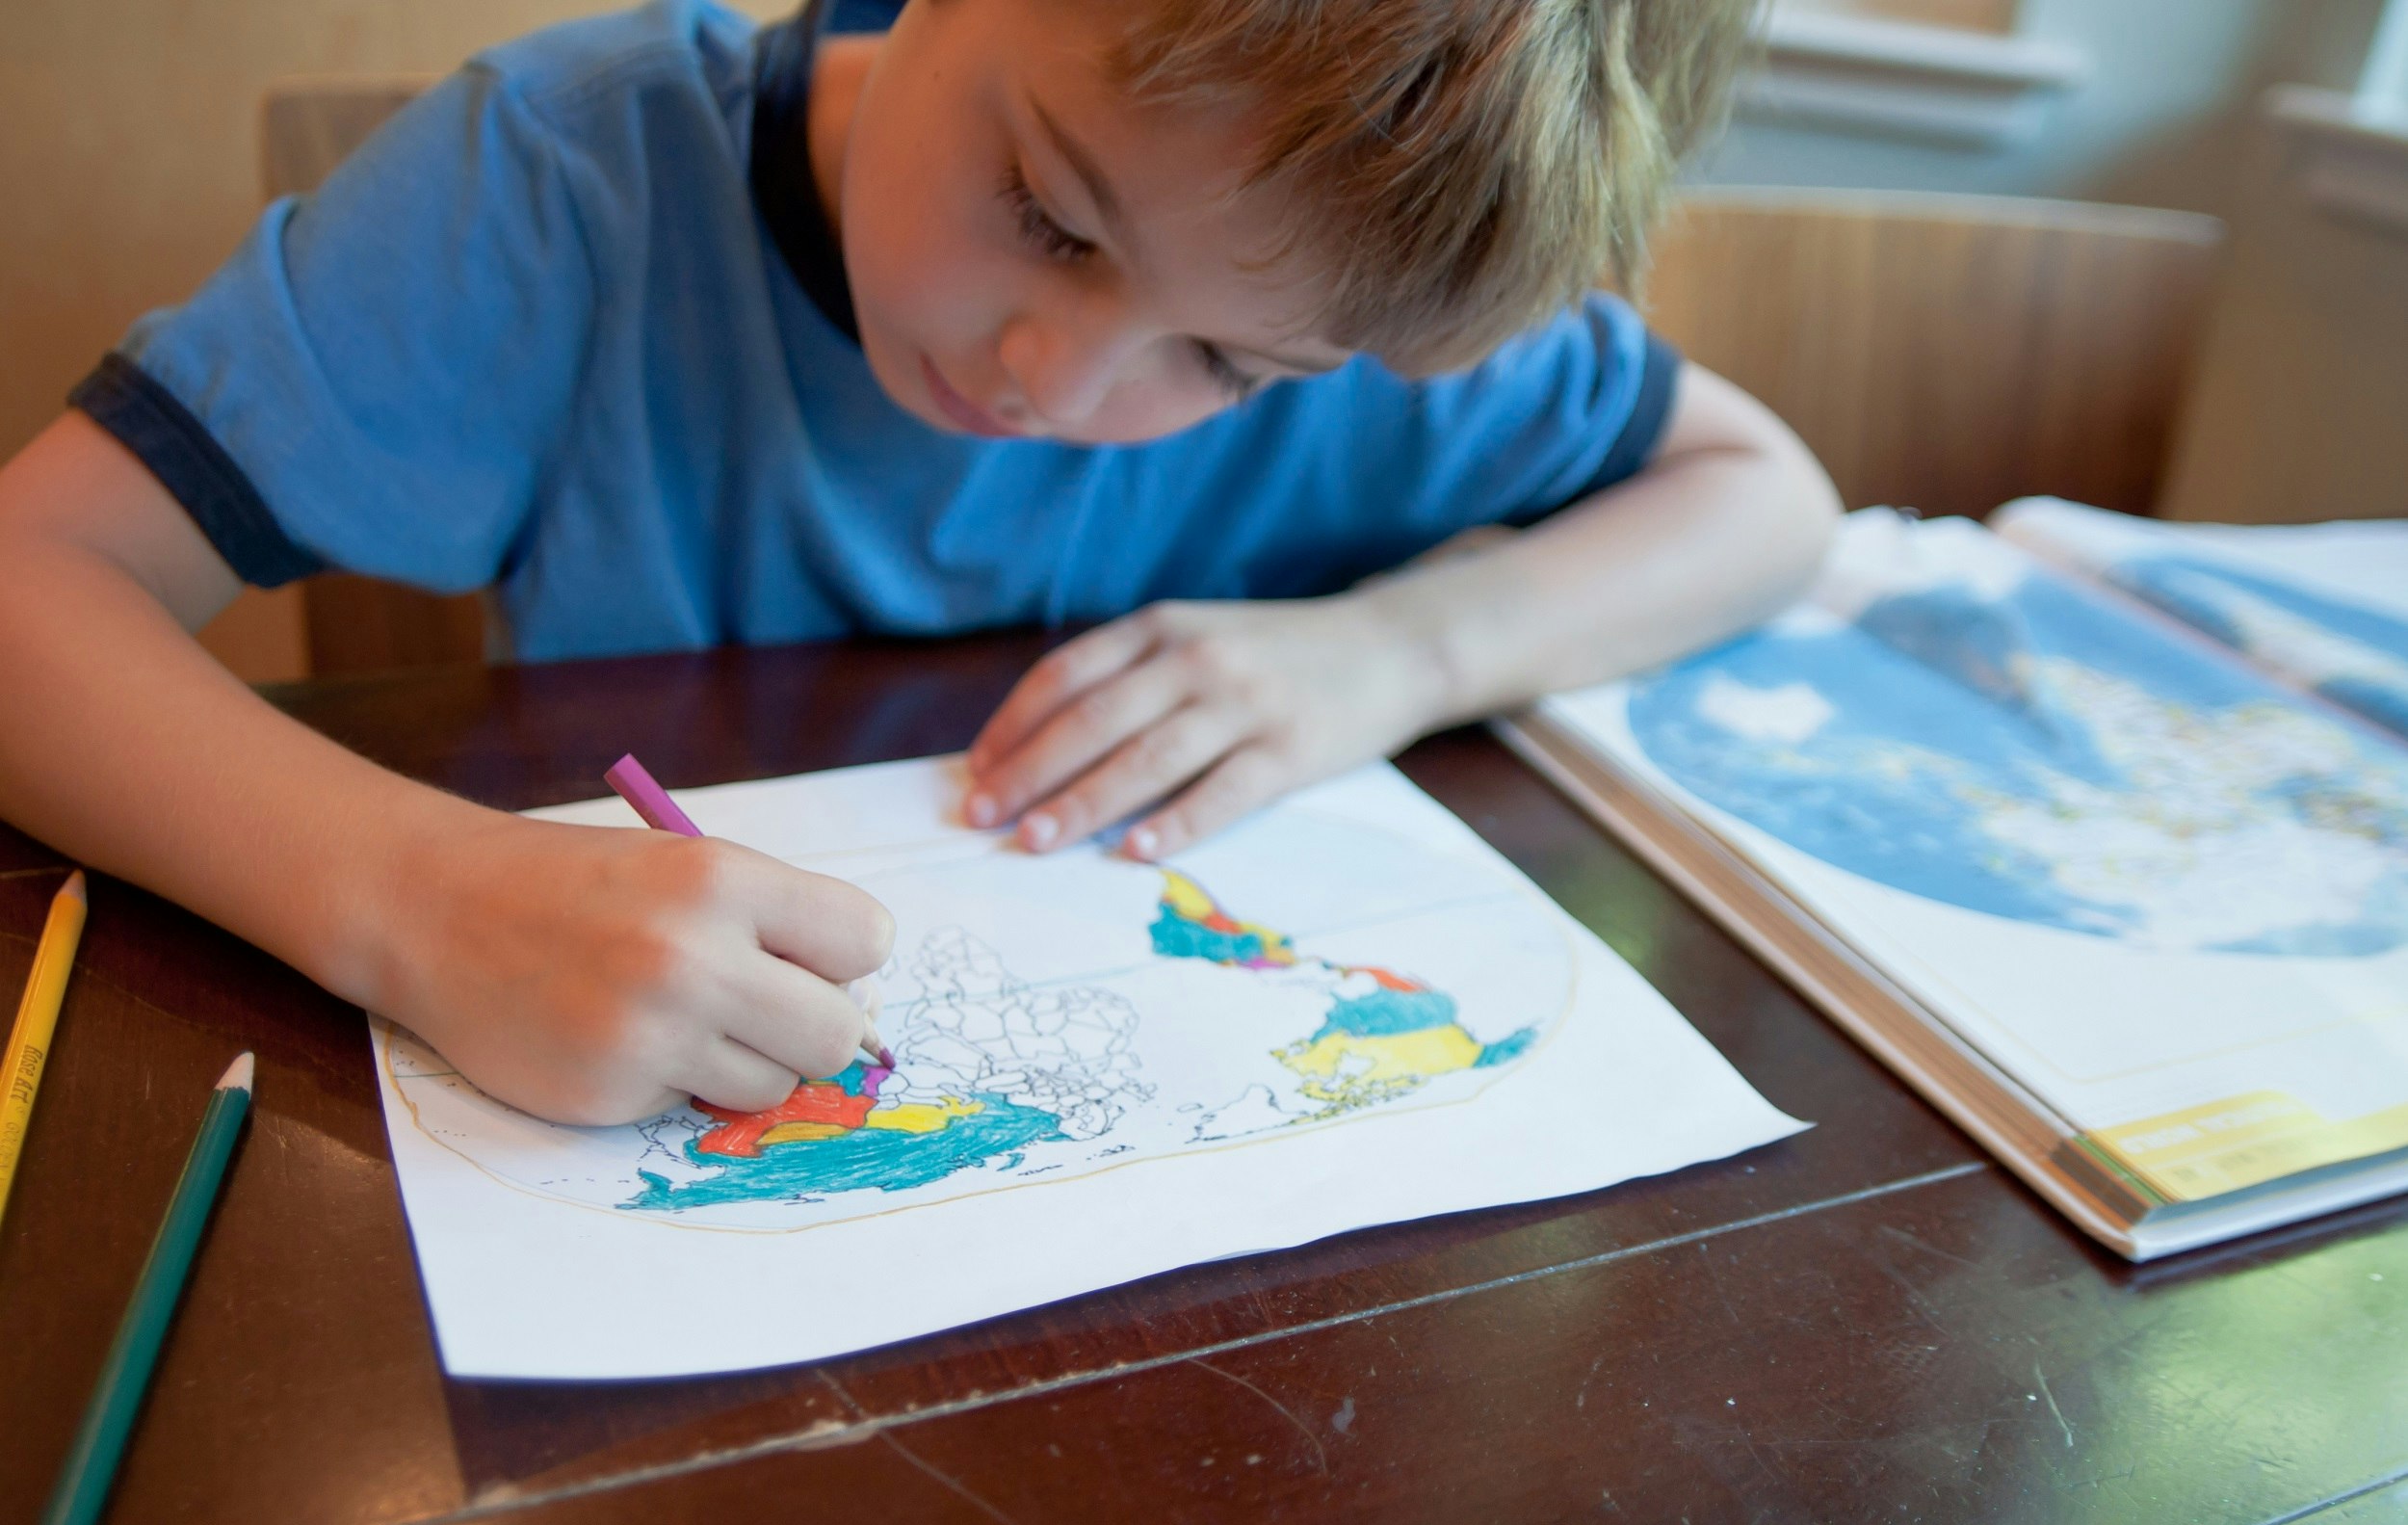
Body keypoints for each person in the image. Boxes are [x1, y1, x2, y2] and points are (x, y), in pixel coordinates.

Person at [0, 0, 1837, 1126]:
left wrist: (1399, 653)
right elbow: (30, 575)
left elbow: (1768, 495)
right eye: (1046, 211)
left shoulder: (1356, 263)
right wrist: (415, 898)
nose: (1057, 379)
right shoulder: (571, 184)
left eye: (1227, 368)